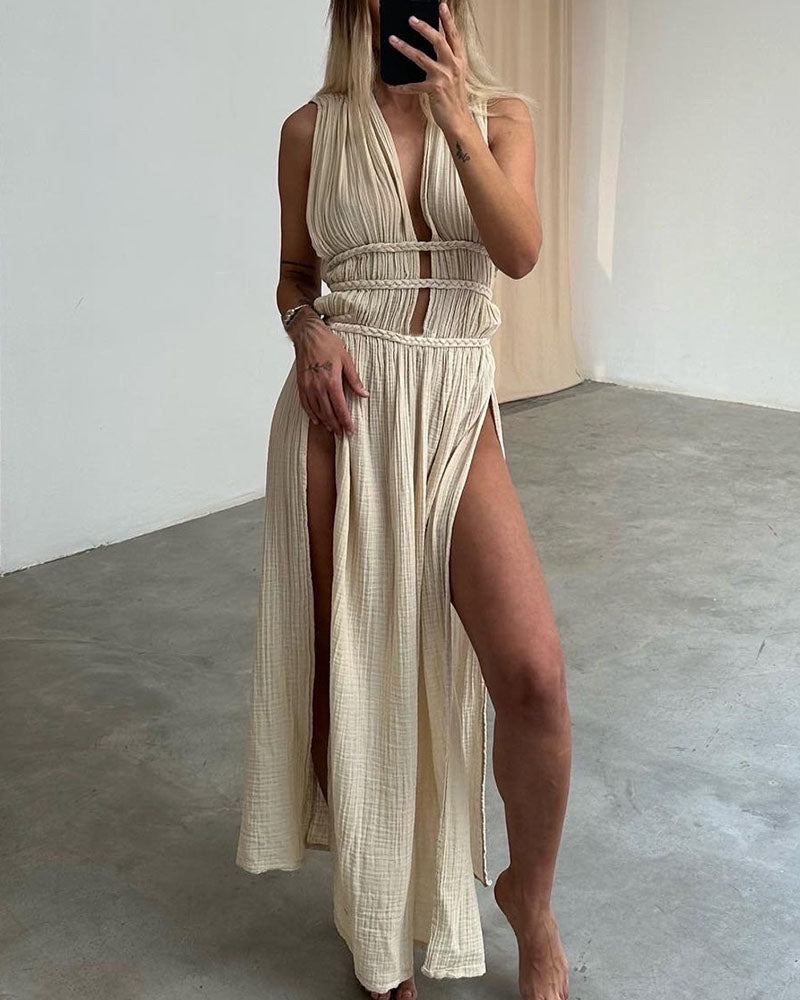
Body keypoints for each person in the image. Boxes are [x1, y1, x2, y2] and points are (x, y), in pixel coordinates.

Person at [235, 2, 572, 998]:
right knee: (349, 674)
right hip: (342, 410)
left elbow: (518, 251)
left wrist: (453, 116)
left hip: (454, 402)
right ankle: (373, 924)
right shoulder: (310, 129)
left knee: (533, 677)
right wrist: (309, 332)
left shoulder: (501, 116)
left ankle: (529, 901)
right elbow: (294, 275)